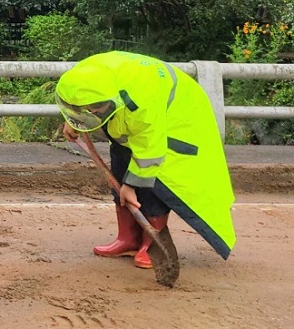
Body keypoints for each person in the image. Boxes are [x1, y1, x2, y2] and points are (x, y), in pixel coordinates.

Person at [56, 51, 236, 275]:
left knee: (154, 185)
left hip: (176, 119)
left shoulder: (142, 104)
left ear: (110, 101)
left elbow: (150, 150)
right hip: (132, 120)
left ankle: (149, 245)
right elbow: (77, 102)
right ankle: (128, 239)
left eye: (95, 111)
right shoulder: (85, 78)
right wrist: (74, 121)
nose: (91, 113)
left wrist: (132, 186)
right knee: (120, 172)